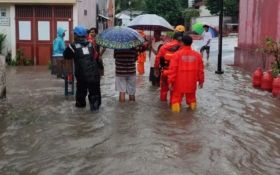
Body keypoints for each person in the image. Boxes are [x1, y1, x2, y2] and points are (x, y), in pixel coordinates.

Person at [63, 26, 101, 111]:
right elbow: (97, 57)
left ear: (76, 35)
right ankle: (95, 115)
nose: (73, 35)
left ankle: (81, 119)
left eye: (74, 33)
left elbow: (66, 55)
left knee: (80, 99)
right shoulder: (91, 44)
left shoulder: (72, 46)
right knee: (95, 98)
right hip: (94, 75)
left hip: (82, 76)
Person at [166, 34, 204, 112]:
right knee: (192, 99)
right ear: (191, 43)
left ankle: (176, 119)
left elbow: (173, 69)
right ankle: (192, 117)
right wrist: (201, 81)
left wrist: (170, 81)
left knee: (176, 100)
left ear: (182, 43)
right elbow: (201, 70)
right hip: (192, 82)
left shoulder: (176, 54)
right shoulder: (197, 55)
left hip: (178, 82)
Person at [154, 25, 185, 102]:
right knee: (175, 92)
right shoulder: (183, 47)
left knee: (163, 90)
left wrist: (156, 70)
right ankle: (173, 108)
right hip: (176, 73)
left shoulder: (164, 46)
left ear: (172, 38)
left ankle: (163, 108)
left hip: (165, 71)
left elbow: (157, 58)